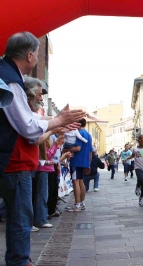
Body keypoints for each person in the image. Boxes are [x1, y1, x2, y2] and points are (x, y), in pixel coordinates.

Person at [0, 31, 85, 266]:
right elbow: (28, 127)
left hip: (16, 164)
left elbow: (30, 121)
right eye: (37, 53)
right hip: (14, 164)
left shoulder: (8, 75)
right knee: (20, 218)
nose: (37, 58)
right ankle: (19, 261)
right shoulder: (10, 79)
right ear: (29, 55)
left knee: (20, 216)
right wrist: (58, 121)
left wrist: (58, 121)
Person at [64, 118, 93, 212]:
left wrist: (64, 150)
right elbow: (90, 152)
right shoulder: (88, 135)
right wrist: (89, 164)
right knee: (81, 182)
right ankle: (82, 203)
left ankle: (77, 205)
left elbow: (77, 148)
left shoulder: (80, 133)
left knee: (75, 182)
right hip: (84, 162)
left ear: (78, 124)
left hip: (76, 161)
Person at [124, 135, 143, 207]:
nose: (142, 140)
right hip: (138, 167)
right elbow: (133, 155)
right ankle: (138, 186)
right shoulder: (135, 148)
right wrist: (126, 158)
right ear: (138, 140)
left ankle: (141, 197)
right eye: (140, 139)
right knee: (141, 179)